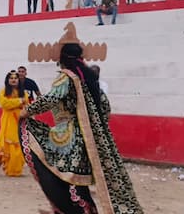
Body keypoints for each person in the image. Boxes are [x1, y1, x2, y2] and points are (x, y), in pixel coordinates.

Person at [19, 43, 142, 213]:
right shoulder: (88, 79)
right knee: (78, 184)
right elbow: (105, 107)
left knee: (66, 179)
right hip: (87, 139)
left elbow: (50, 99)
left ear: (62, 59)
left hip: (69, 139)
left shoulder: (66, 77)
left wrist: (26, 111)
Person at [0, 71, 26, 177]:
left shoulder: (23, 92)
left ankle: (16, 169)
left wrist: (19, 102)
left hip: (19, 122)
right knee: (8, 145)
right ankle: (7, 167)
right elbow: (4, 104)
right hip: (8, 122)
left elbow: (26, 104)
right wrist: (18, 102)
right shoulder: (3, 92)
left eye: (15, 78)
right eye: (11, 78)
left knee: (18, 146)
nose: (13, 79)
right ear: (7, 80)